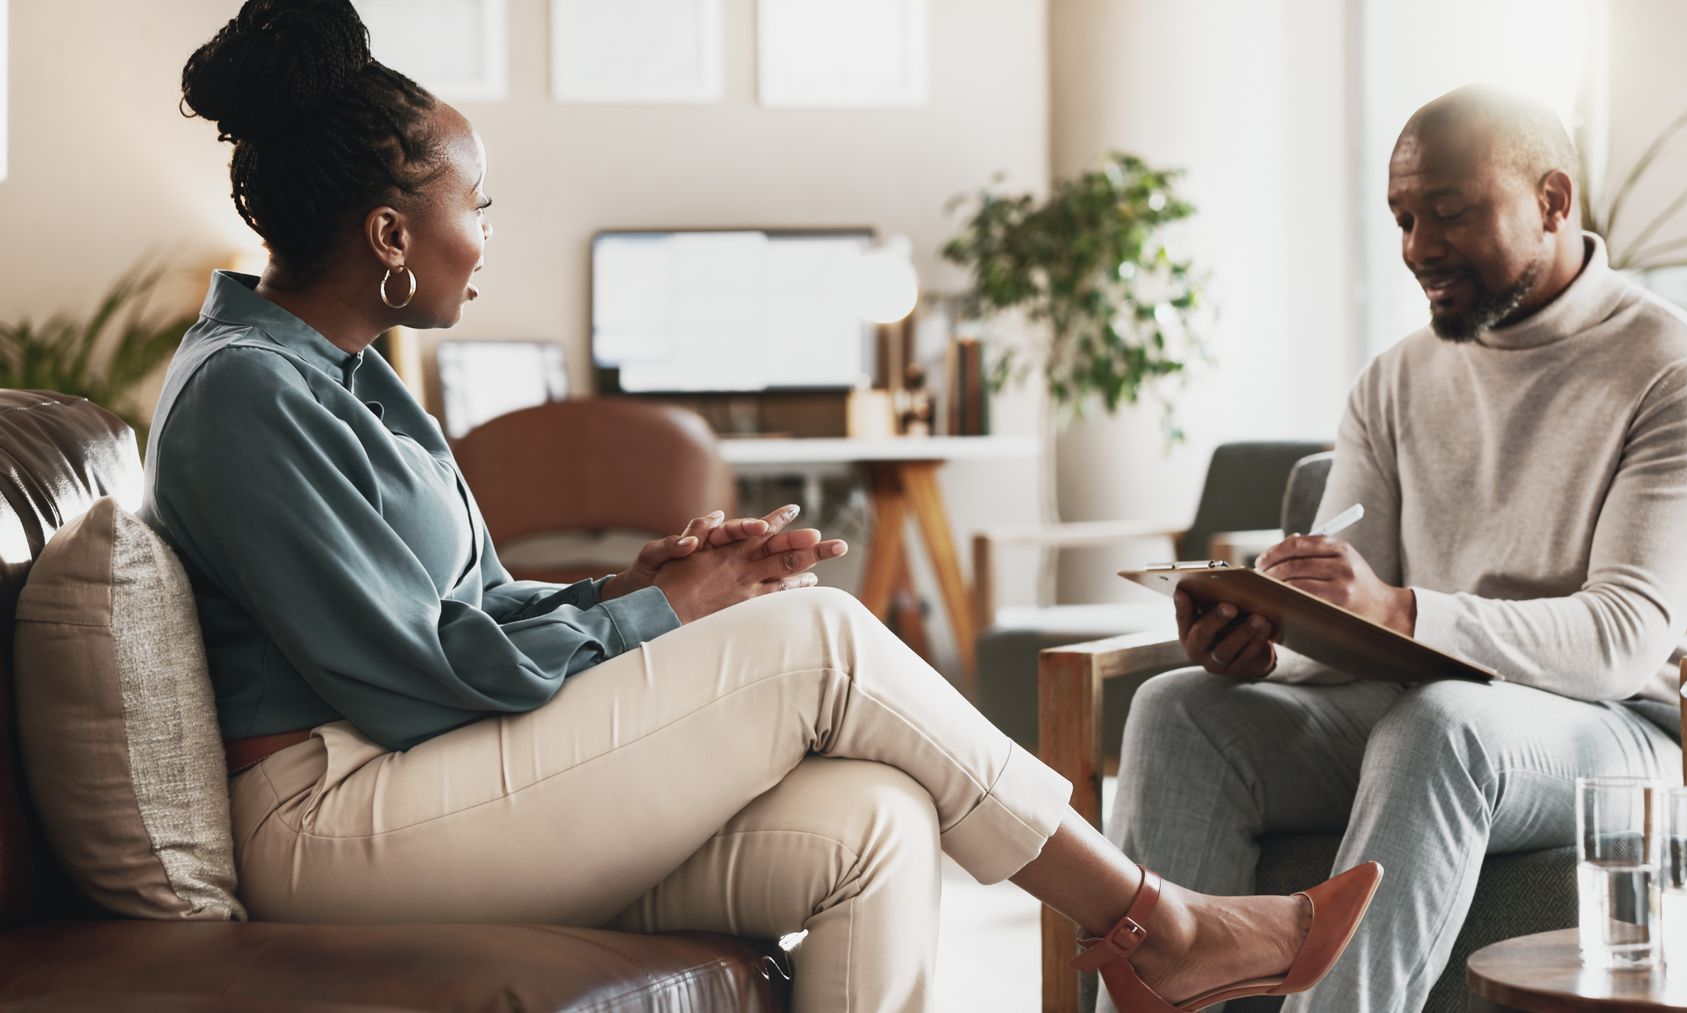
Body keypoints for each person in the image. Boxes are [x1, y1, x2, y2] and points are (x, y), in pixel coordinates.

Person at [143, 3, 1383, 1011]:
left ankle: (1153, 924)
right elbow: (413, 675)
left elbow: (455, 613)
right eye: (477, 208)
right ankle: (1154, 920)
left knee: (881, 821)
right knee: (823, 636)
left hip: (417, 770)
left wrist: (628, 589)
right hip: (334, 818)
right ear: (389, 233)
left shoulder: (345, 375)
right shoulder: (250, 395)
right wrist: (664, 614)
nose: (487, 238)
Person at [1109, 85, 1687, 1013]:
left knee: (1443, 725)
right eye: (1405, 218)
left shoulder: (1680, 371)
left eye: (1450, 213)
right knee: (1180, 710)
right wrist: (1273, 640)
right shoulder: (1397, 380)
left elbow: (1623, 638)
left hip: (1631, 731)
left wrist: (1400, 609)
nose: (1418, 247)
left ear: (1552, 201)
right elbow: (1349, 613)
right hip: (1426, 709)